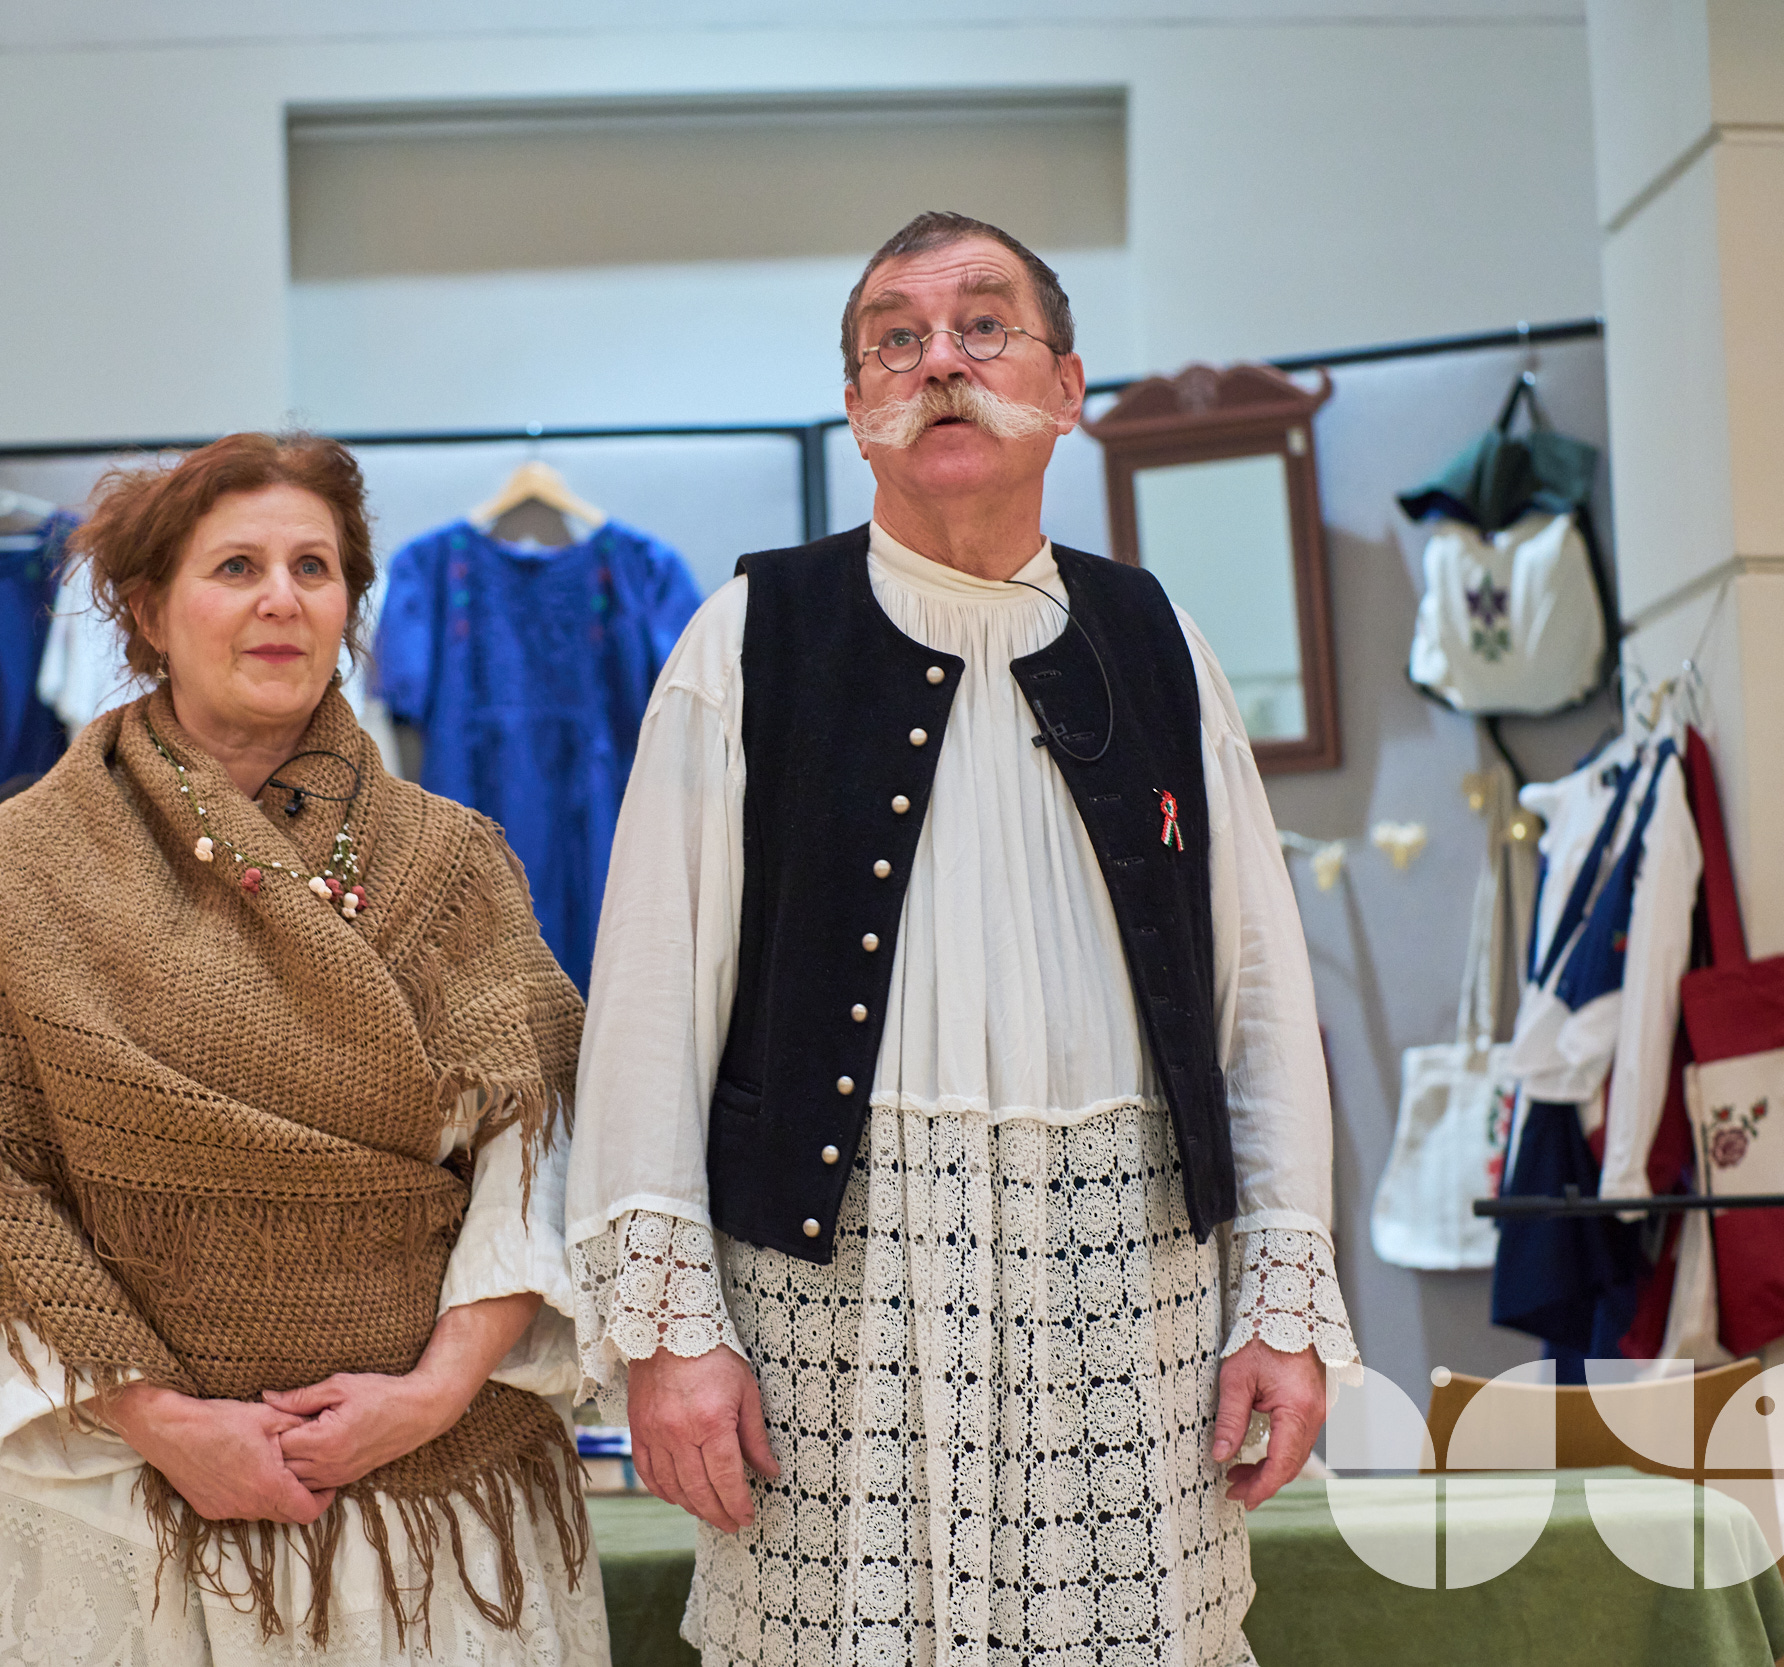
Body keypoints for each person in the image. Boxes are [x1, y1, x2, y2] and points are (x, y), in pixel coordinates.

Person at [566, 212, 1357, 1667]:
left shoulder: (1159, 640)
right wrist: (670, 1335)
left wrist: (1283, 1302)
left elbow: (1255, 1003)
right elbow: (646, 1009)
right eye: (896, 338)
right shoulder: (747, 636)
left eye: (983, 325)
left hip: (1131, 1293)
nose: (939, 360)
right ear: (854, 405)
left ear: (1067, 387)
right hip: (830, 1307)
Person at [0, 432, 604, 1665]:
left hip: (435, 1487)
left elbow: (534, 1146)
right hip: (130, 1494)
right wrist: (165, 1421)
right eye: (236, 567)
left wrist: (427, 1393)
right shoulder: (30, 859)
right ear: (148, 610)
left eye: (314, 567)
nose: (282, 598)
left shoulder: (452, 855)